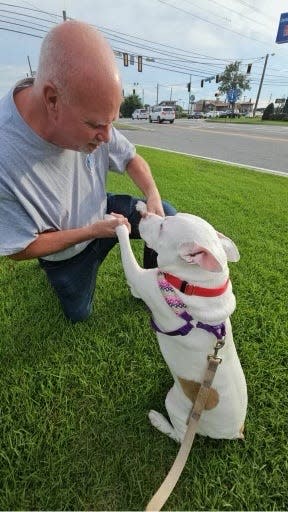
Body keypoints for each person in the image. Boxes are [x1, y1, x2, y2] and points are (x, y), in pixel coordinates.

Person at [0, 20, 176, 322]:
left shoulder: (88, 108)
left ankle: (152, 285)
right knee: (79, 314)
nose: (107, 137)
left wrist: (154, 196)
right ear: (52, 100)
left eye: (111, 123)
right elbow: (18, 247)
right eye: (96, 125)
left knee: (165, 215)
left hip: (103, 210)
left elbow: (132, 158)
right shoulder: (6, 152)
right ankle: (56, 271)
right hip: (67, 251)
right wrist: (92, 231)